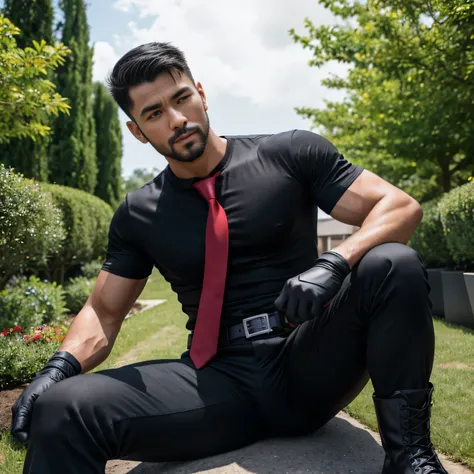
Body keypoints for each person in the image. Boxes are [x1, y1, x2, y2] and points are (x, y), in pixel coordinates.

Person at [12, 42, 448, 474]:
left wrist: (333, 264)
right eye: (154, 112)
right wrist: (57, 368)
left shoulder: (288, 154)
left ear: (201, 92)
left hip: (311, 358)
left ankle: (410, 456)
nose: (177, 119)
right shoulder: (138, 214)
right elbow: (103, 312)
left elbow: (400, 207)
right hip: (217, 380)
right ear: (137, 131)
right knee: (62, 408)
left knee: (393, 262)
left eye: (181, 98)